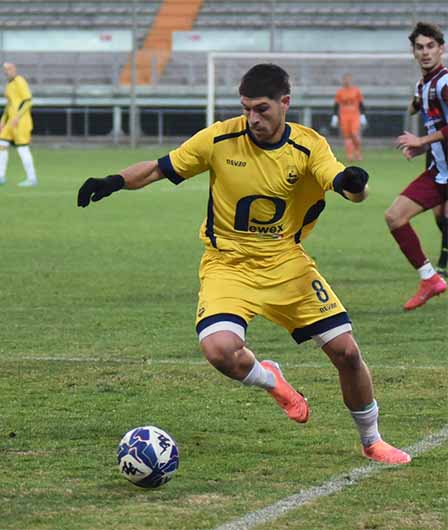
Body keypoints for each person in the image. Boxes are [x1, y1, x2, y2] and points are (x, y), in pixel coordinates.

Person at [77, 64, 410, 465]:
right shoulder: (220, 138)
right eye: (246, 108)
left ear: (285, 103)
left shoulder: (308, 146)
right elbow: (158, 168)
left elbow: (342, 183)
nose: (253, 118)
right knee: (219, 350)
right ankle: (271, 379)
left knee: (347, 353)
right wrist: (113, 181)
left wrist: (355, 185)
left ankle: (372, 441)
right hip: (228, 264)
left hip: (287, 263)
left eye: (262, 109)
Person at [387, 22, 448, 309]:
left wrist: (422, 139)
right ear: (413, 52)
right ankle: (430, 279)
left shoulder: (444, 83)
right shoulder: (424, 85)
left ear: (441, 49)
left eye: (430, 46)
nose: (425, 52)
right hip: (439, 172)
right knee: (395, 217)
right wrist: (422, 146)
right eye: (419, 47)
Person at [0, 62, 38, 187]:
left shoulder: (20, 81)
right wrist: (2, 121)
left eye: (9, 69)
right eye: (5, 69)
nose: (7, 71)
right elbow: (9, 104)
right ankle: (0, 176)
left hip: (21, 122)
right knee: (1, 144)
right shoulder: (9, 85)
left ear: (14, 69)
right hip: (10, 122)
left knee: (22, 148)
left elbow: (28, 101)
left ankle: (32, 179)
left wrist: (17, 116)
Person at [330, 73, 367, 161]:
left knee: (354, 134)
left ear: (351, 80)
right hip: (344, 116)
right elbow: (336, 105)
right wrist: (335, 116)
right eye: (345, 80)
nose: (347, 81)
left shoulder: (356, 91)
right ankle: (349, 154)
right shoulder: (340, 92)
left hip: (354, 115)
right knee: (347, 136)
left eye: (348, 79)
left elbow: (361, 104)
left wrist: (363, 115)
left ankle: (357, 151)